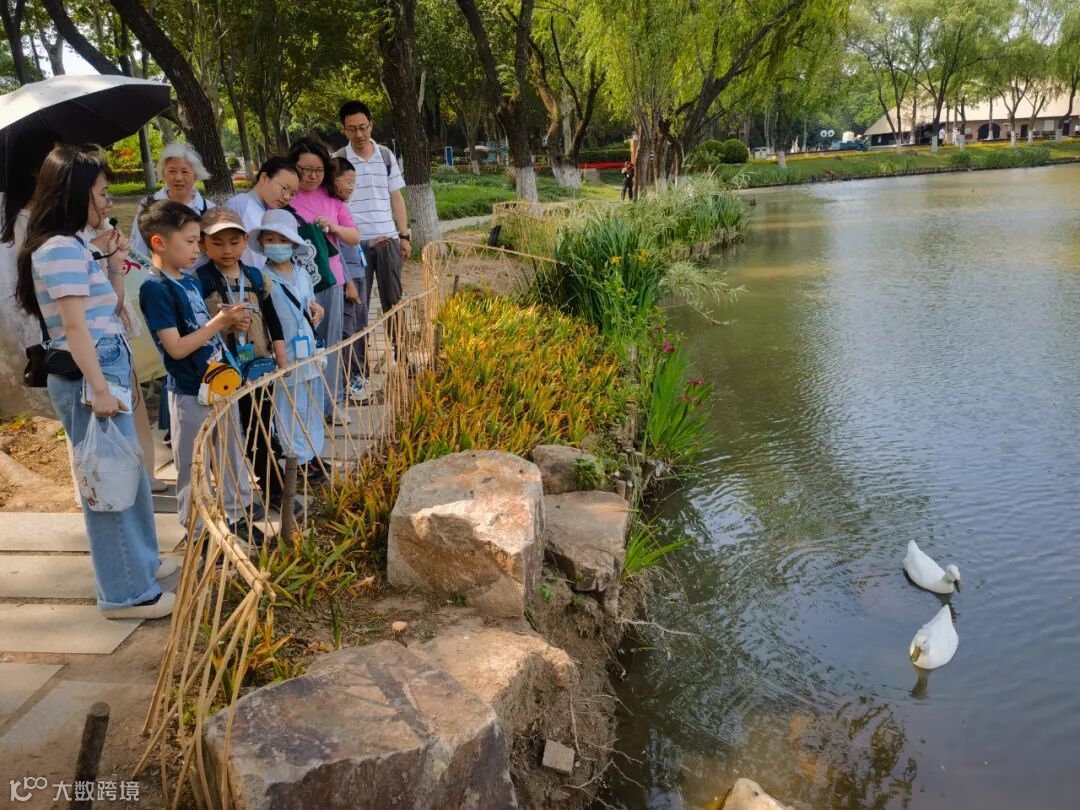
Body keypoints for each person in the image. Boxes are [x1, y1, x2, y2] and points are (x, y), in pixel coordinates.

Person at [14, 144, 173, 620]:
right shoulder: (60, 248)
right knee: (108, 486)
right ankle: (125, 594)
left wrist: (112, 260)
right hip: (91, 374)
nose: (107, 202)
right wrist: (100, 389)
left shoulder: (77, 243)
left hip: (105, 364)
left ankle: (142, 566)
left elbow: (112, 308)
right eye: (102, 193)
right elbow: (76, 328)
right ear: (76, 192)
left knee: (129, 476)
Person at [136, 200, 255, 536]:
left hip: (221, 383)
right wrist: (219, 322)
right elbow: (175, 348)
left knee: (232, 455)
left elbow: (200, 331)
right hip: (190, 391)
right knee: (194, 464)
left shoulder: (189, 282)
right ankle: (198, 531)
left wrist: (226, 324)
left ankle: (238, 517)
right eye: (190, 241)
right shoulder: (155, 289)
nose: (196, 249)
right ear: (159, 242)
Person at [195, 207, 288, 516]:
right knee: (229, 434)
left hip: (258, 366)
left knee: (261, 429)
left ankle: (273, 488)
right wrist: (225, 323)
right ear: (202, 244)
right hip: (222, 372)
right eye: (217, 243)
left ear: (246, 241)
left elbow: (273, 319)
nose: (227, 250)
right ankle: (233, 495)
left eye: (234, 242)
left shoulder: (256, 277)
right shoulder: (199, 281)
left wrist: (281, 358)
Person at [248, 209, 326, 479]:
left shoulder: (302, 273)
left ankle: (313, 453)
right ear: (262, 244)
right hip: (284, 355)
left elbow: (310, 302)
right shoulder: (262, 278)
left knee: (311, 405)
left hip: (309, 351)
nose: (276, 245)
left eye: (282, 239)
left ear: (293, 244)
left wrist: (318, 311)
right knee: (289, 409)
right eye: (269, 239)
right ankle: (298, 460)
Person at [287, 138, 361, 422]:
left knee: (330, 344)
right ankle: (302, 408)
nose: (312, 176)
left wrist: (334, 228)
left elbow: (354, 237)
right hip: (293, 283)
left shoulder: (331, 199)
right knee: (298, 345)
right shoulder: (285, 197)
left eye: (318, 170)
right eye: (305, 169)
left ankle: (332, 404)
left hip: (330, 281)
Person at [334, 100, 411, 368]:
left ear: (371, 125)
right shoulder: (338, 161)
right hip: (354, 245)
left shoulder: (386, 156)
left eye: (363, 127)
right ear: (344, 130)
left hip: (388, 240)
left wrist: (404, 235)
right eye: (352, 129)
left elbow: (396, 197)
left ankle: (403, 357)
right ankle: (358, 369)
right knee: (357, 307)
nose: (359, 134)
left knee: (394, 302)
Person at [331, 156, 373, 401]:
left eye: (353, 182)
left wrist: (368, 244)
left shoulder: (340, 207)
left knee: (359, 327)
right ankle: (348, 381)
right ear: (332, 179)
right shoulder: (330, 209)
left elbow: (352, 244)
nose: (351, 187)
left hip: (358, 273)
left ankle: (358, 375)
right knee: (349, 331)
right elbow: (335, 251)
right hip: (349, 280)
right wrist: (348, 282)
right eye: (347, 182)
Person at [128, 143, 216, 259]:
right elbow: (138, 249)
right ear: (163, 173)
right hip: (157, 270)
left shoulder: (208, 208)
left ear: (195, 175)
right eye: (172, 171)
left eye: (185, 172)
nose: (178, 178)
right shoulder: (148, 204)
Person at [225, 157, 300, 267]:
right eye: (284, 188)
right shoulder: (239, 205)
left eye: (292, 194)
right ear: (264, 178)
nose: (287, 197)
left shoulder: (269, 212)